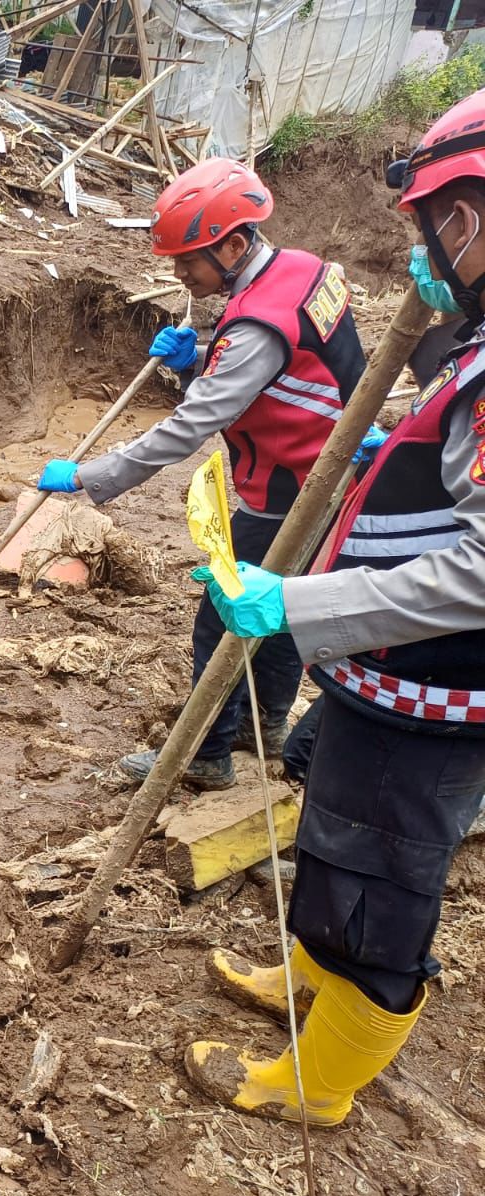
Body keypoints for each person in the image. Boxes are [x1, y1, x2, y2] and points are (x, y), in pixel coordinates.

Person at [183, 88, 485, 1126]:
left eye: (433, 223)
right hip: (386, 674)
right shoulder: (472, 346)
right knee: (334, 836)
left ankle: (320, 1082)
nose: (427, 247)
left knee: (382, 881)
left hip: (436, 696)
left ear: (470, 217)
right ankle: (313, 984)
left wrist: (305, 601)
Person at [35, 158, 369, 791]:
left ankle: (207, 756)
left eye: (189, 261)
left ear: (235, 244)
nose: (180, 275)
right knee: (278, 609)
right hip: (333, 475)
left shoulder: (255, 330)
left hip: (287, 490)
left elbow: (189, 427)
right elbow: (272, 383)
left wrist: (89, 477)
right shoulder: (306, 270)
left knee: (221, 618)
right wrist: (197, 361)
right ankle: (262, 727)